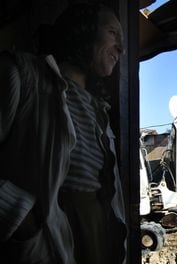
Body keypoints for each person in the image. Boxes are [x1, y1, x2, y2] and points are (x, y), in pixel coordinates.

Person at [0, 3, 127, 263]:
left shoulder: (99, 109)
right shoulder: (23, 76)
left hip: (99, 240)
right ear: (84, 31)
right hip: (46, 245)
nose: (121, 48)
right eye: (113, 33)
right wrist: (18, 212)